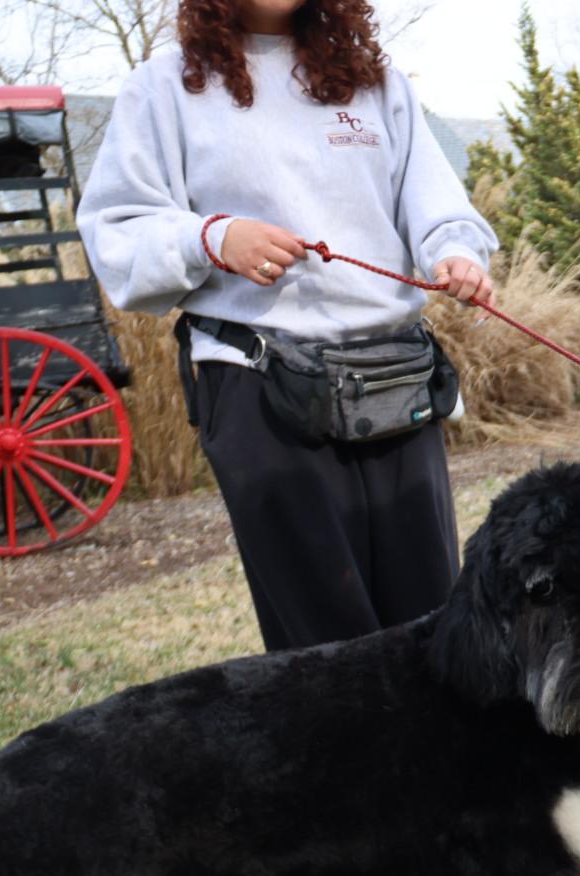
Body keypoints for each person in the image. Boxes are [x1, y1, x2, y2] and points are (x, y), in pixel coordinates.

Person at [78, 0, 497, 651]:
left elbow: (439, 206)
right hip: (261, 393)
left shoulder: (375, 82)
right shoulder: (163, 87)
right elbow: (117, 230)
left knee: (434, 631)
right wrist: (213, 238)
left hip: (395, 384)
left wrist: (457, 252)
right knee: (322, 651)